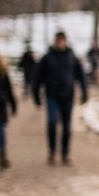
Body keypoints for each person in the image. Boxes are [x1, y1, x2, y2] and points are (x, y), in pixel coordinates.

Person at [32, 30, 88, 165]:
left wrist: (85, 92)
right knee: (52, 123)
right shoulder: (47, 57)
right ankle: (52, 152)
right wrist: (36, 95)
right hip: (52, 95)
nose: (61, 43)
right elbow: (37, 77)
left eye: (63, 40)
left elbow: (81, 76)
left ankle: (65, 154)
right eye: (58, 40)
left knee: (67, 127)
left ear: (66, 41)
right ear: (55, 41)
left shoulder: (71, 56)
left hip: (68, 96)